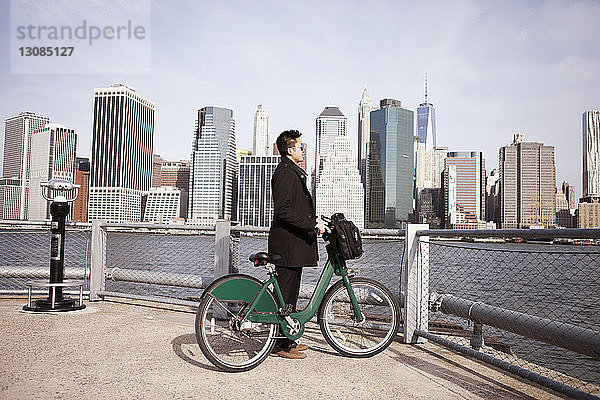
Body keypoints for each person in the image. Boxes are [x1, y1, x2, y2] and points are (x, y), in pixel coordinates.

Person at [269, 129, 326, 359]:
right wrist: (312, 224)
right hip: (287, 245)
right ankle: (280, 345)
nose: (303, 150)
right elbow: (283, 211)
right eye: (300, 147)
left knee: (290, 295)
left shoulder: (292, 171)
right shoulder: (285, 172)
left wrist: (315, 221)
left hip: (293, 244)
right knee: (284, 293)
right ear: (290, 150)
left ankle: (288, 340)